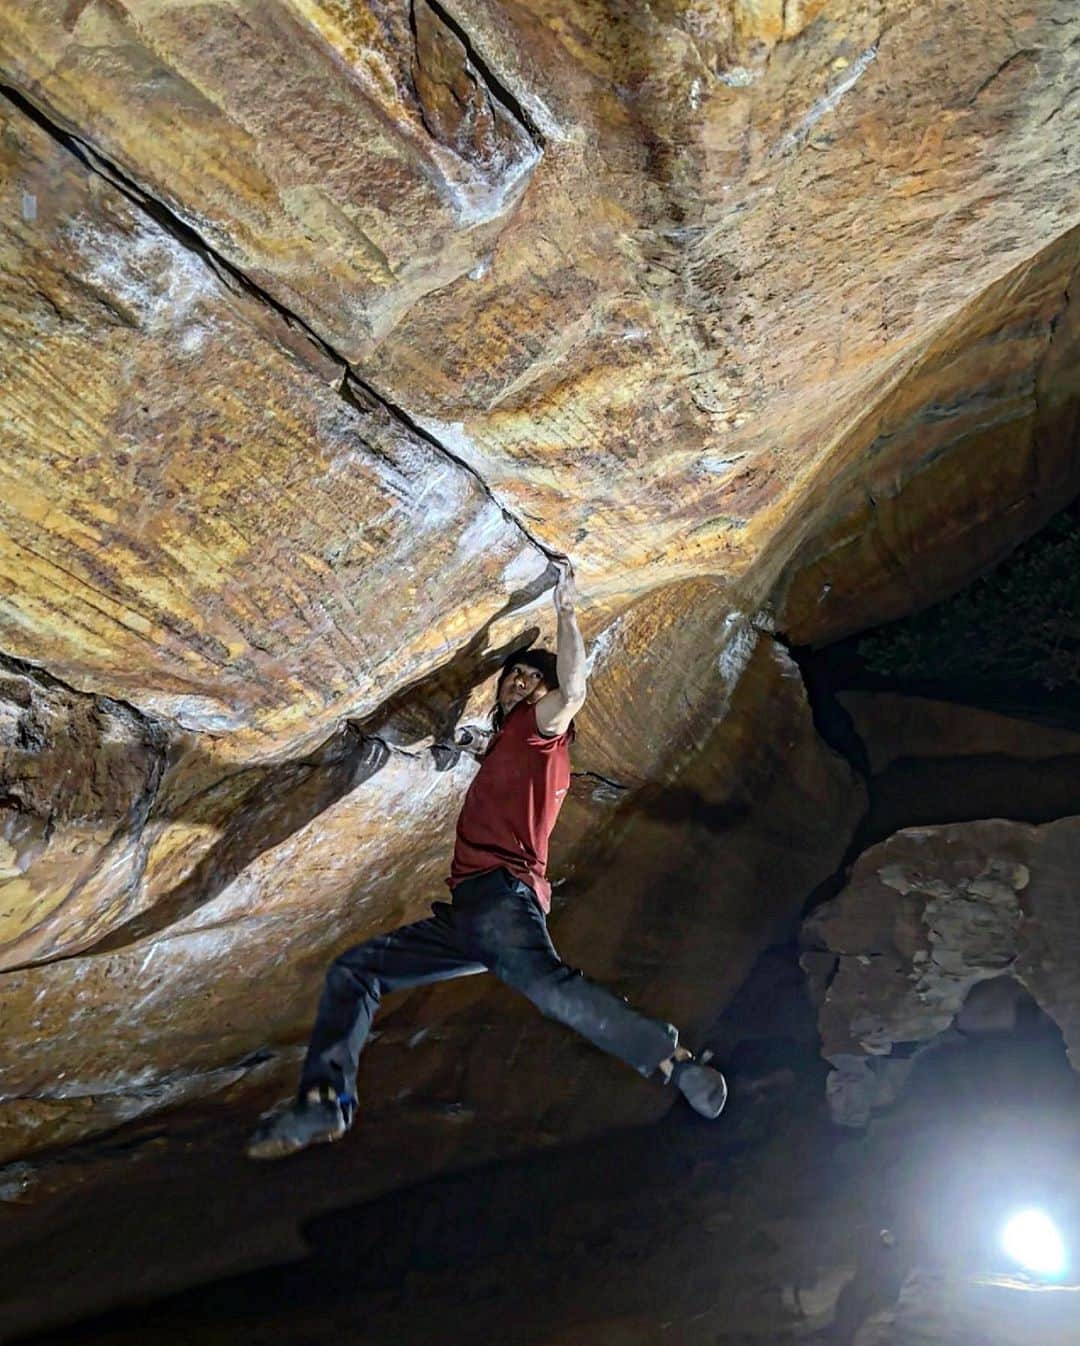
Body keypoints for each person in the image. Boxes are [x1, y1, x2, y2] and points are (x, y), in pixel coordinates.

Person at [247, 563, 727, 1159]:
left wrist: (567, 611)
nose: (520, 684)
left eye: (531, 679)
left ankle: (671, 1062)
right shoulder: (508, 743)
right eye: (512, 679)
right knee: (357, 972)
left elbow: (572, 693)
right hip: (471, 921)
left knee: (551, 989)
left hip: (500, 900)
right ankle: (325, 1104)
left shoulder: (538, 731)